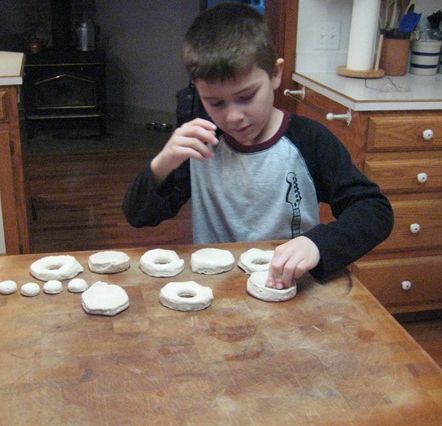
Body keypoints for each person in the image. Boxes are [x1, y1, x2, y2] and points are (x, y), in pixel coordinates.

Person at [123, 2, 393, 290]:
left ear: (275, 74)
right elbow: (139, 216)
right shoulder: (200, 145)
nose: (233, 116)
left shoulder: (310, 140)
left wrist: (317, 245)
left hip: (291, 288)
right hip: (217, 288)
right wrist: (162, 164)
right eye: (215, 103)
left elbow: (374, 210)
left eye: (246, 96)